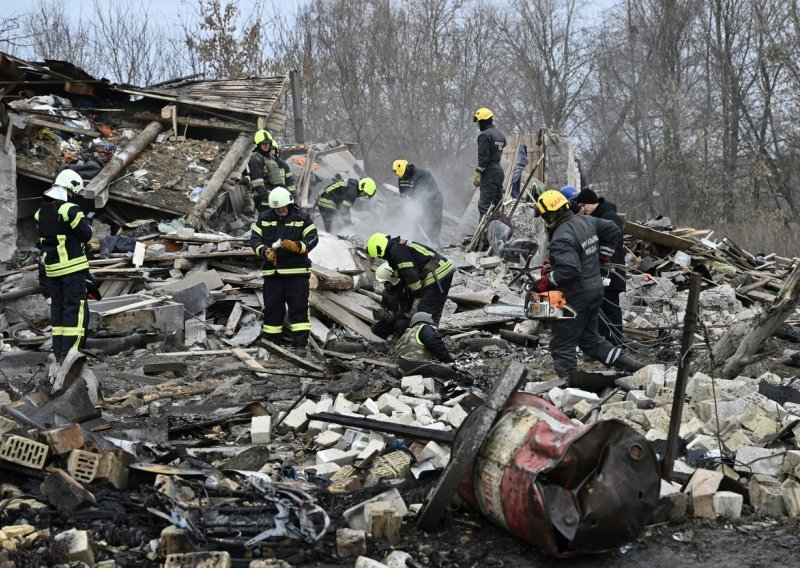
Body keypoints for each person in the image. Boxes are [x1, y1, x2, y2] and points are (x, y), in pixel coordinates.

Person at [531, 190, 643, 379]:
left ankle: (569, 384)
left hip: (576, 296)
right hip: (595, 290)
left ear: (550, 214)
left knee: (562, 344)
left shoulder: (561, 237)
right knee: (590, 339)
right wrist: (603, 255)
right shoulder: (586, 221)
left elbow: (570, 269)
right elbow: (613, 229)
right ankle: (632, 366)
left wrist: (545, 282)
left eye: (544, 216)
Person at [249, 186, 318, 356]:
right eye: (277, 208)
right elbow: (254, 239)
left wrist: (298, 246)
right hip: (273, 275)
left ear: (290, 204)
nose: (281, 210)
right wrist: (264, 251)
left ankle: (300, 345)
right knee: (273, 310)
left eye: (283, 207)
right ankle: (272, 344)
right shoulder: (264, 218)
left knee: (299, 309)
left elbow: (313, 238)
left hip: (297, 274)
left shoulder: (302, 217)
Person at [35, 170, 93, 364]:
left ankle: (59, 353)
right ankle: (72, 354)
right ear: (72, 188)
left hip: (52, 271)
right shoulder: (70, 210)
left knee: (58, 311)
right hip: (72, 269)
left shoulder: (39, 213)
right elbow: (86, 234)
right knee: (75, 310)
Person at [366, 232, 454, 325]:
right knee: (430, 312)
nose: (382, 258)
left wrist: (418, 296)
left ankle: (428, 336)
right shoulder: (398, 247)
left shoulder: (397, 252)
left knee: (425, 313)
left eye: (380, 256)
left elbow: (411, 276)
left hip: (437, 273)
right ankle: (431, 333)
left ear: (379, 249)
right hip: (439, 271)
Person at [576, 188, 627, 346]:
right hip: (602, 270)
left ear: (591, 203)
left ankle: (616, 341)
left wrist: (602, 257)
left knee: (611, 306)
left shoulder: (609, 217)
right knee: (602, 308)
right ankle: (604, 342)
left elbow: (613, 240)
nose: (582, 209)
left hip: (612, 269)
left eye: (583, 205)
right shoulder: (599, 216)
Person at [392, 160, 443, 245]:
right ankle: (418, 244)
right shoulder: (401, 177)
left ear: (407, 167)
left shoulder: (421, 175)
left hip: (434, 201)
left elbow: (421, 196)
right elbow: (403, 195)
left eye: (404, 174)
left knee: (432, 223)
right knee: (417, 223)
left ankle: (434, 245)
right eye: (402, 176)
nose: (404, 177)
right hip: (417, 202)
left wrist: (414, 209)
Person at [246, 130, 296, 212]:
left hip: (275, 197)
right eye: (263, 144)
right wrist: (268, 198)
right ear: (258, 144)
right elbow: (257, 182)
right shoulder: (256, 158)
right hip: (265, 200)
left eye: (268, 143)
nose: (266, 146)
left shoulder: (269, 157)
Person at [472, 107, 507, 219]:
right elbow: (503, 145)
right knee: (497, 205)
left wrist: (478, 172)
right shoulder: (500, 135)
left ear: (483, 121)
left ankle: (483, 234)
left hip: (489, 173)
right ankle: (498, 231)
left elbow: (483, 157)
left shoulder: (484, 136)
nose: (478, 125)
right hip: (499, 171)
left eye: (478, 122)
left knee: (484, 207)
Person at [370, 262, 413, 340]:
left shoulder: (406, 290)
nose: (384, 285)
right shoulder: (386, 292)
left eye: (386, 282)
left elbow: (409, 311)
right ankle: (387, 343)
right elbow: (385, 306)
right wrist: (382, 314)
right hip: (394, 319)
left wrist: (393, 316)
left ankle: (401, 342)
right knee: (375, 328)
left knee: (400, 325)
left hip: (406, 321)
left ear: (393, 280)